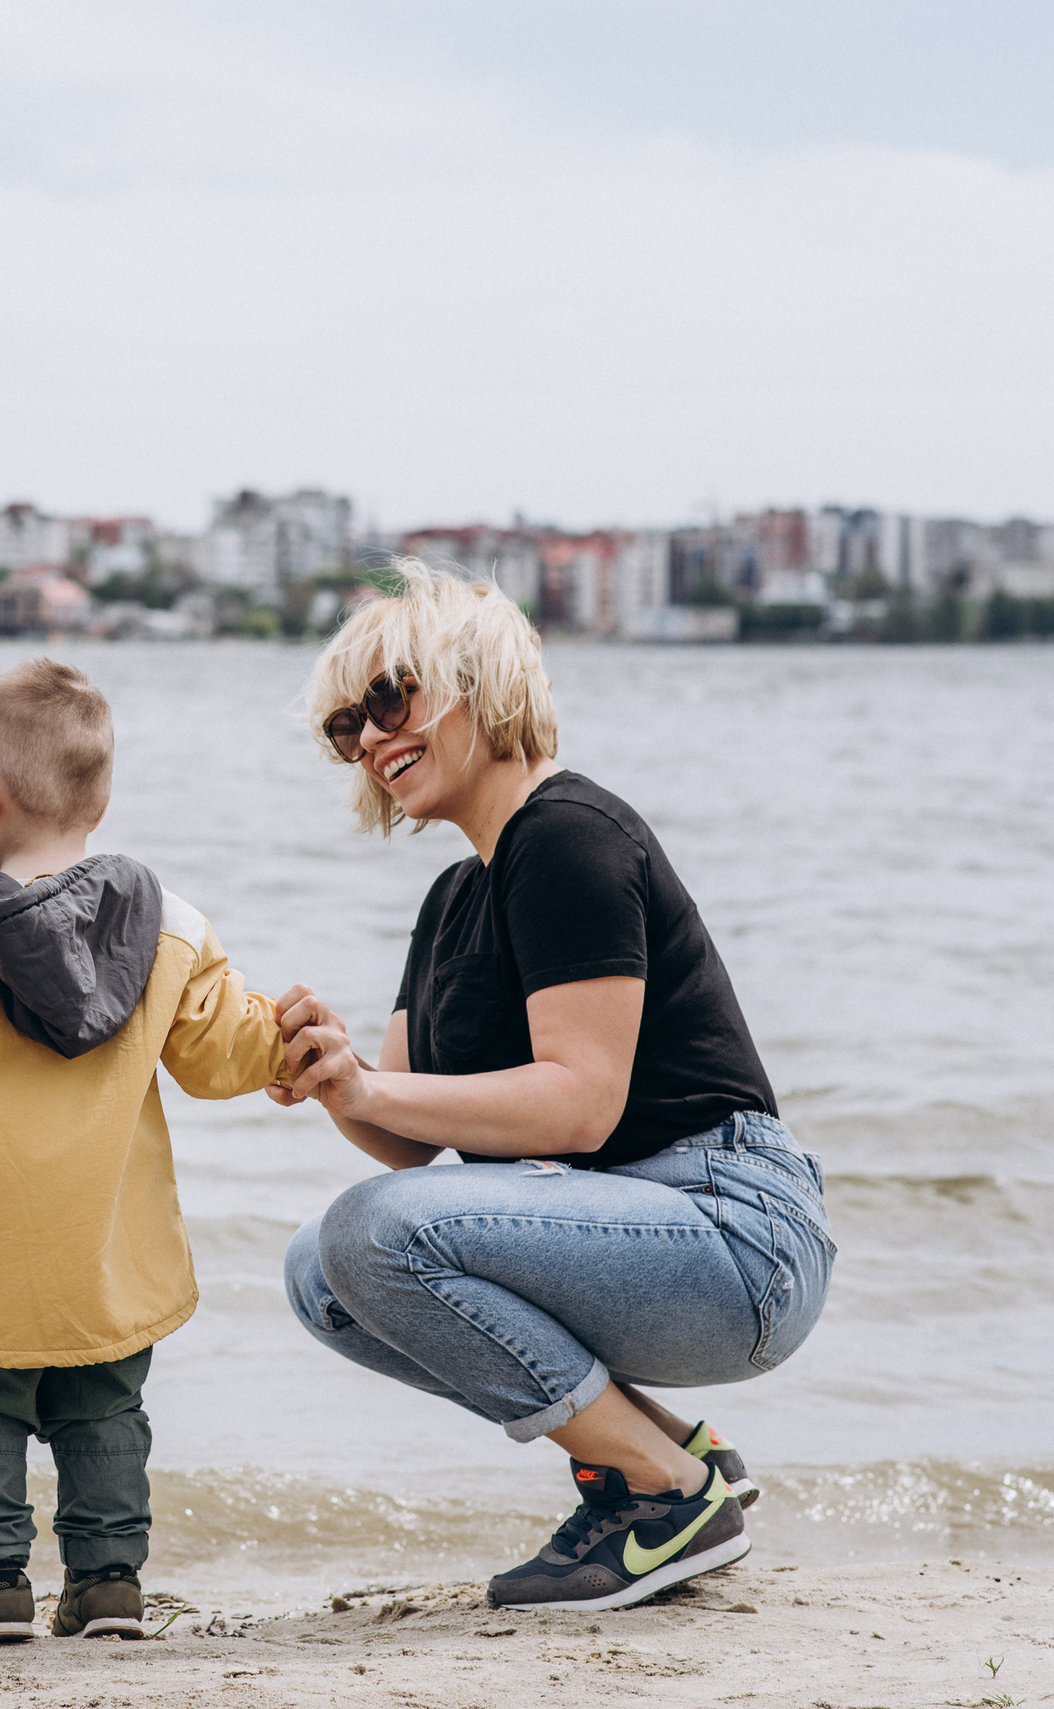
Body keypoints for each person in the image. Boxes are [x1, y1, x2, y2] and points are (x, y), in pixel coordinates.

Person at [271, 561, 834, 1613]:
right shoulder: (454, 897)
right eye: (349, 723)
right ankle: (666, 1453)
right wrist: (334, 1078)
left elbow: (581, 1103)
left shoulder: (565, 835)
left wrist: (372, 1088)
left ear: (477, 681)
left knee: (365, 1233)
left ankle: (666, 1498)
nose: (371, 737)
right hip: (634, 1227)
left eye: (389, 698)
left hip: (731, 1230)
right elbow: (405, 1143)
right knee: (322, 1277)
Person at [0, 659, 286, 1643]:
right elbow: (217, 1053)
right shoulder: (169, 927)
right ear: (100, 796)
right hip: (107, 1255)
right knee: (105, 1408)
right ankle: (108, 1581)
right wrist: (290, 1039)